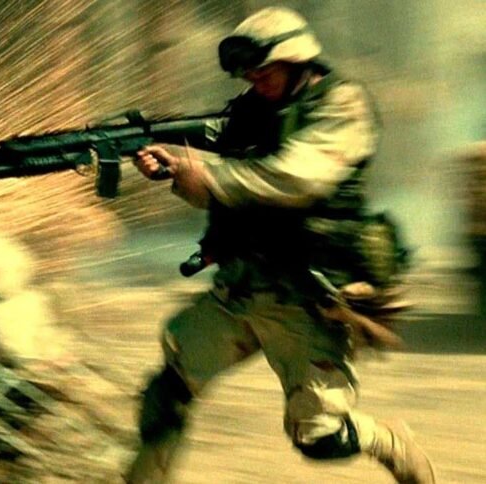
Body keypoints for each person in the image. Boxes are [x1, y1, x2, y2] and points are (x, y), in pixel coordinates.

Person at [125, 6, 434, 484]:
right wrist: (172, 167)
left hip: (306, 297)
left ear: (296, 59)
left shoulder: (342, 105)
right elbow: (222, 174)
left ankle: (389, 440)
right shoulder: (250, 111)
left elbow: (296, 178)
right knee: (165, 396)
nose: (255, 80)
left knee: (320, 436)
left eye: (264, 71)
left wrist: (208, 178)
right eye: (248, 74)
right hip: (242, 287)